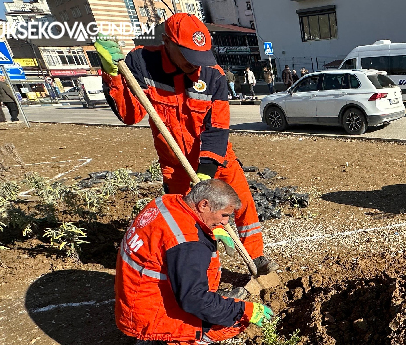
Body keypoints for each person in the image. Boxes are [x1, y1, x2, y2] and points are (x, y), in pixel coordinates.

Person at [95, 13, 279, 275]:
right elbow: (130, 114)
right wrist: (112, 75)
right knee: (190, 218)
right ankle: (205, 268)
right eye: (189, 57)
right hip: (177, 165)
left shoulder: (213, 76)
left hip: (216, 159)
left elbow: (217, 126)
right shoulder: (140, 63)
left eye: (201, 57)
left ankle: (256, 257)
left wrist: (207, 170)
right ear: (167, 43)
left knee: (242, 204)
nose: (196, 65)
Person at [116, 179, 274, 345]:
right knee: (235, 322)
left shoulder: (168, 201)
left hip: (140, 291)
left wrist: (211, 231)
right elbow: (194, 300)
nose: (225, 222)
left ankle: (211, 303)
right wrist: (244, 311)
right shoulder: (188, 245)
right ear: (204, 204)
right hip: (147, 313)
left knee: (206, 256)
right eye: (224, 215)